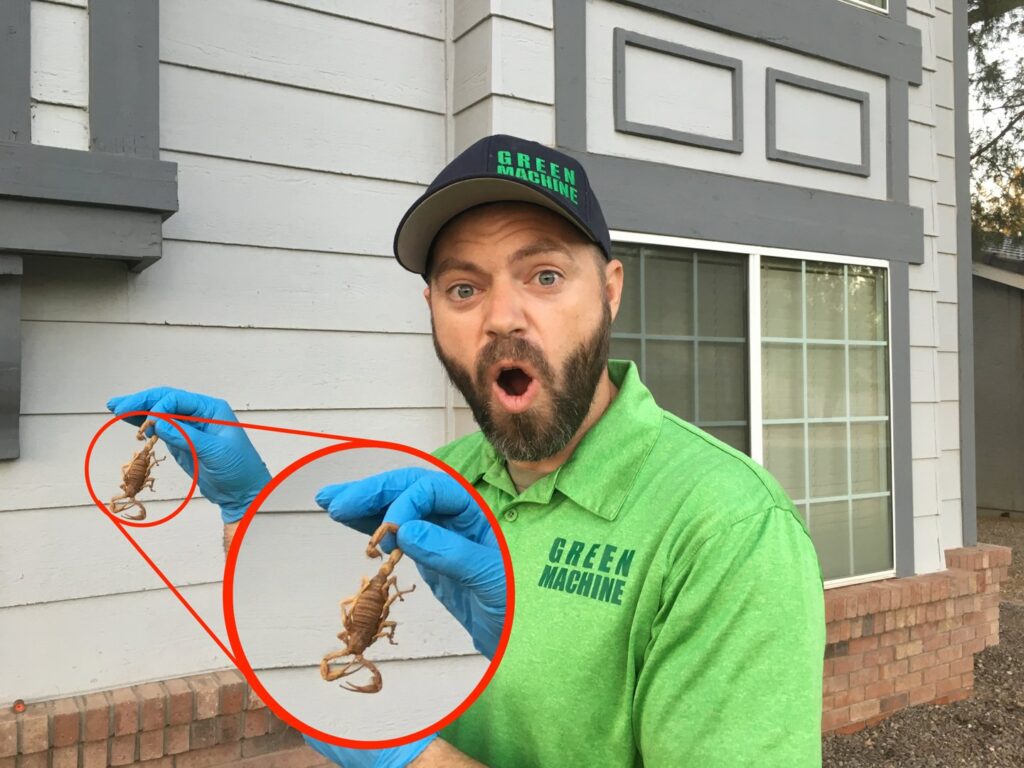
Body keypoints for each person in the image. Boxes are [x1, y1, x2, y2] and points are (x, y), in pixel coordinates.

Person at [108, 134, 825, 767]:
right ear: (432, 314)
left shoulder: (729, 530)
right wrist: (250, 508)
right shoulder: (439, 481)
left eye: (544, 276)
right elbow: (312, 623)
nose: (502, 318)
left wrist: (415, 761)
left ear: (609, 291)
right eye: (462, 288)